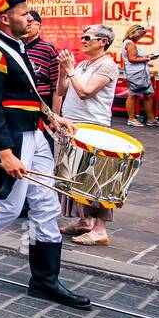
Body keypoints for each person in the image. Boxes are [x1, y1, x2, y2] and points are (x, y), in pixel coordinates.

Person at [0, 0, 90, 309]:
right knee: (9, 207)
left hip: (33, 134)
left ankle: (45, 280)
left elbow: (29, 96)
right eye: (22, 12)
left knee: (47, 205)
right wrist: (5, 153)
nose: (29, 17)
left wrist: (52, 117)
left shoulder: (16, 46)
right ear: (4, 19)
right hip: (13, 139)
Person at [54, 24, 120, 246]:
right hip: (73, 125)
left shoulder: (108, 66)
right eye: (82, 37)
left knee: (97, 179)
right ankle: (85, 221)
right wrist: (64, 71)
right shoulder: (82, 64)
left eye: (87, 37)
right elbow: (62, 91)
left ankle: (100, 230)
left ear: (103, 41)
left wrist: (71, 70)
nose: (82, 41)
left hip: (94, 127)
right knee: (75, 176)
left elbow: (85, 92)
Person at [121, 24, 159, 128]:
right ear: (134, 34)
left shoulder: (129, 43)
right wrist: (148, 58)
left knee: (149, 95)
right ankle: (132, 119)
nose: (141, 37)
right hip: (136, 74)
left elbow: (135, 57)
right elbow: (132, 59)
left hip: (140, 74)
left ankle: (151, 119)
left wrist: (148, 57)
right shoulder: (130, 44)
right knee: (134, 95)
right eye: (140, 35)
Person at [21, 9, 60, 107]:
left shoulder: (47, 49)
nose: (25, 28)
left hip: (42, 102)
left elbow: (57, 86)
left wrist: (54, 116)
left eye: (29, 24)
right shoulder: (14, 47)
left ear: (39, 27)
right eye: (23, 24)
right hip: (19, 101)